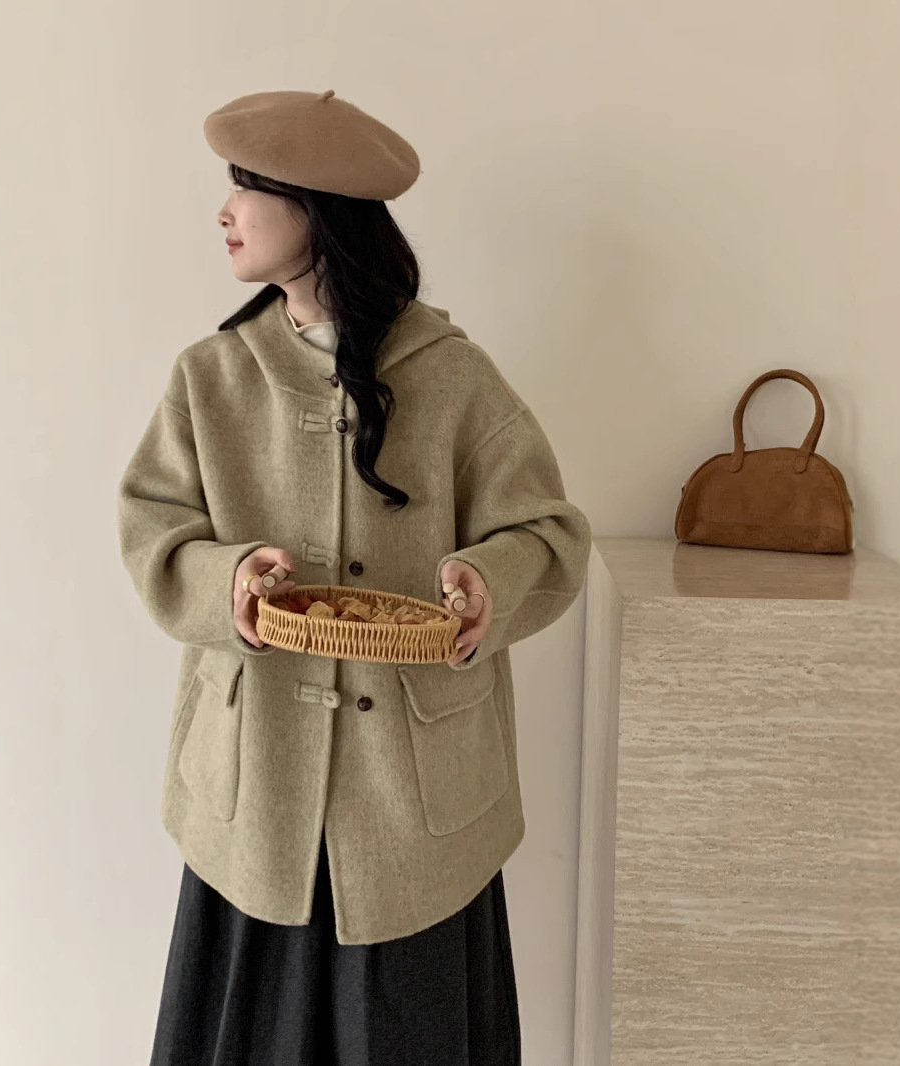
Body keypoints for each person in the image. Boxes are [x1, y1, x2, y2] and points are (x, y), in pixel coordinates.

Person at [116, 88, 593, 1065]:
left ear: (317, 210)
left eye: (246, 189)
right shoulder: (211, 376)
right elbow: (153, 527)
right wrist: (229, 579)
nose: (224, 212)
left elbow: (548, 532)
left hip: (413, 810)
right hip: (258, 790)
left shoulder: (453, 377)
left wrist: (488, 582)